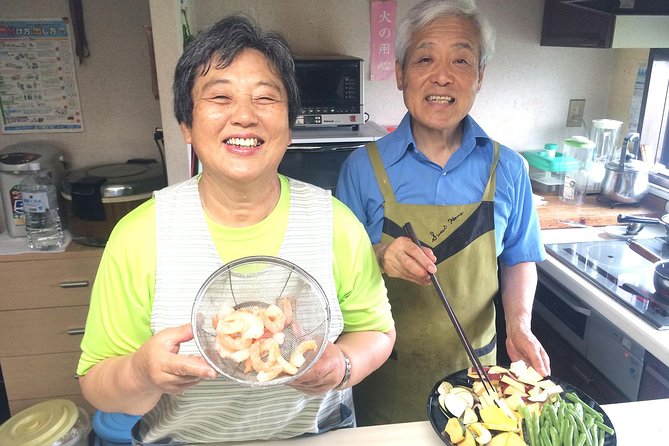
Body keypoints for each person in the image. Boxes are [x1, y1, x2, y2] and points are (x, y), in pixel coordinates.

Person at [76, 15, 395, 444]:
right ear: (187, 124)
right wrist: (140, 372)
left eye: (265, 98)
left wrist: (345, 365)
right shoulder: (140, 235)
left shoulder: (335, 222)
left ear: (289, 123)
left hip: (317, 434)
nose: (244, 116)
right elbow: (97, 380)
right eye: (220, 97)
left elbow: (377, 331)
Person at [336, 0, 550, 425]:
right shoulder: (362, 168)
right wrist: (380, 256)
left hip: (479, 376)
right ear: (400, 73)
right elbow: (334, 274)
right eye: (425, 58)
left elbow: (519, 257)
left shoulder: (507, 168)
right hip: (385, 375)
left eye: (461, 59)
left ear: (480, 77)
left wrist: (520, 325)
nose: (442, 75)